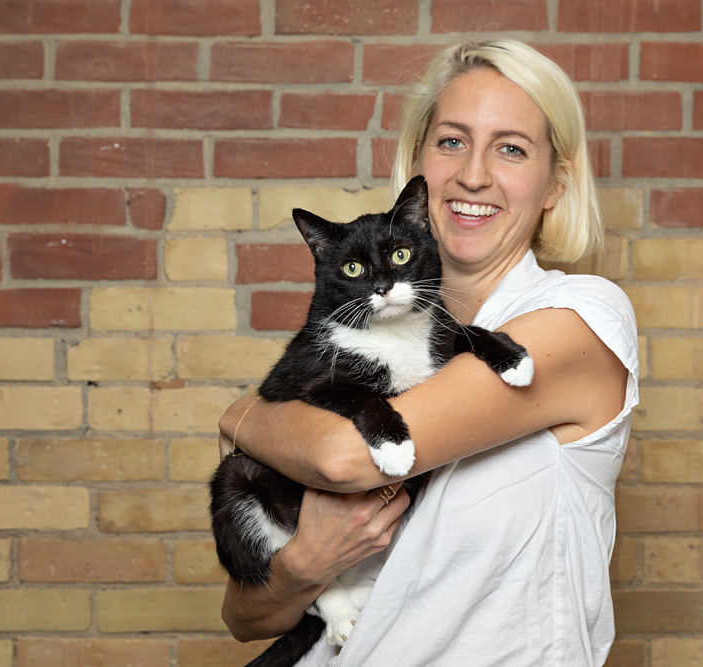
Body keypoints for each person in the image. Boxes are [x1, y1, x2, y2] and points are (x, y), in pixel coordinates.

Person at [217, 39, 638, 666]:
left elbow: (343, 458)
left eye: (512, 149)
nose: (473, 174)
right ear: (418, 161)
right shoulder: (370, 329)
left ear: (556, 184)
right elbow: (245, 618)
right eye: (451, 142)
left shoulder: (582, 318)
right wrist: (304, 565)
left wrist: (244, 419)